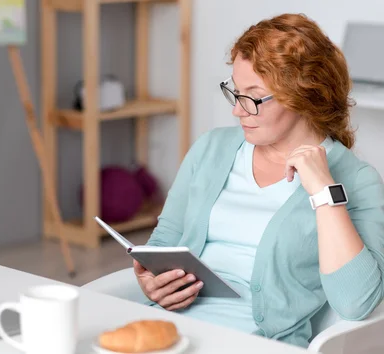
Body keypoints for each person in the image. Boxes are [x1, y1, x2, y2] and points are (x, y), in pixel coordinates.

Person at [133, 13, 384, 348]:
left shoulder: (357, 180)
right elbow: (165, 240)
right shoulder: (210, 148)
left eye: (252, 96)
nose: (237, 110)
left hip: (258, 343)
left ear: (302, 95)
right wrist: (151, 281)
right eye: (235, 92)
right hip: (170, 329)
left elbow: (357, 303)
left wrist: (326, 193)